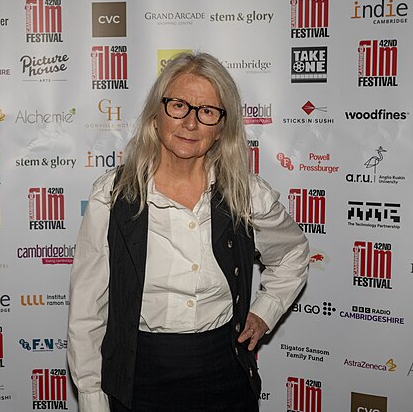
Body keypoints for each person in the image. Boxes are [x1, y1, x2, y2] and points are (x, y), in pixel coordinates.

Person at [67, 52, 309, 411]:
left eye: (208, 111)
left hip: (224, 372)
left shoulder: (246, 194)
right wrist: (91, 397)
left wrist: (266, 309)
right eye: (178, 105)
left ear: (222, 128)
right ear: (156, 114)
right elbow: (87, 312)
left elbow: (292, 253)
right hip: (137, 376)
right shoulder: (113, 197)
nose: (191, 123)